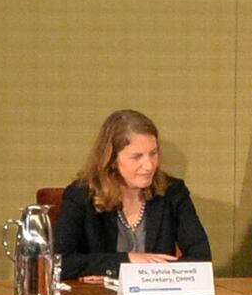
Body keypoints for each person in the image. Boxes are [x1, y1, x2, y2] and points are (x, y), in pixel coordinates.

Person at [58, 109, 212, 281]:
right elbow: (59, 263)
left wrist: (146, 275)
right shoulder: (81, 195)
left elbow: (201, 258)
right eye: (137, 157)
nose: (149, 165)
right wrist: (127, 261)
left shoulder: (173, 192)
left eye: (153, 153)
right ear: (112, 159)